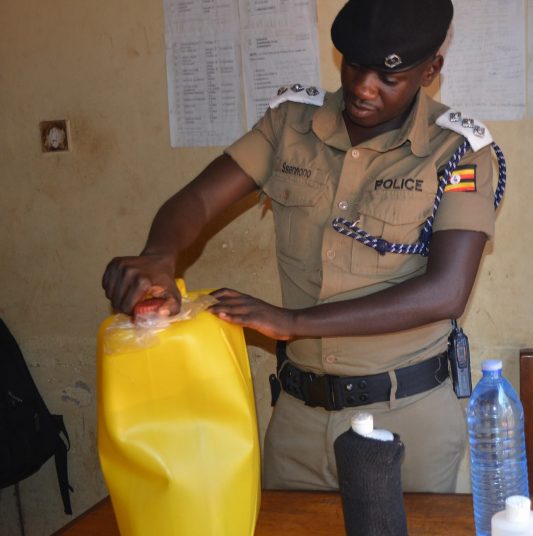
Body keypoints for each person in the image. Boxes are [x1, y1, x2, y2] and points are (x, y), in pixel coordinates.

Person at [101, 0, 502, 493]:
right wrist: (159, 257)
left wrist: (292, 322)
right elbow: (199, 200)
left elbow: (446, 292)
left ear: (430, 71)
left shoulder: (458, 152)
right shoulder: (290, 124)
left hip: (405, 416)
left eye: (387, 77)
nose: (362, 87)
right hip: (299, 418)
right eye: (353, 65)